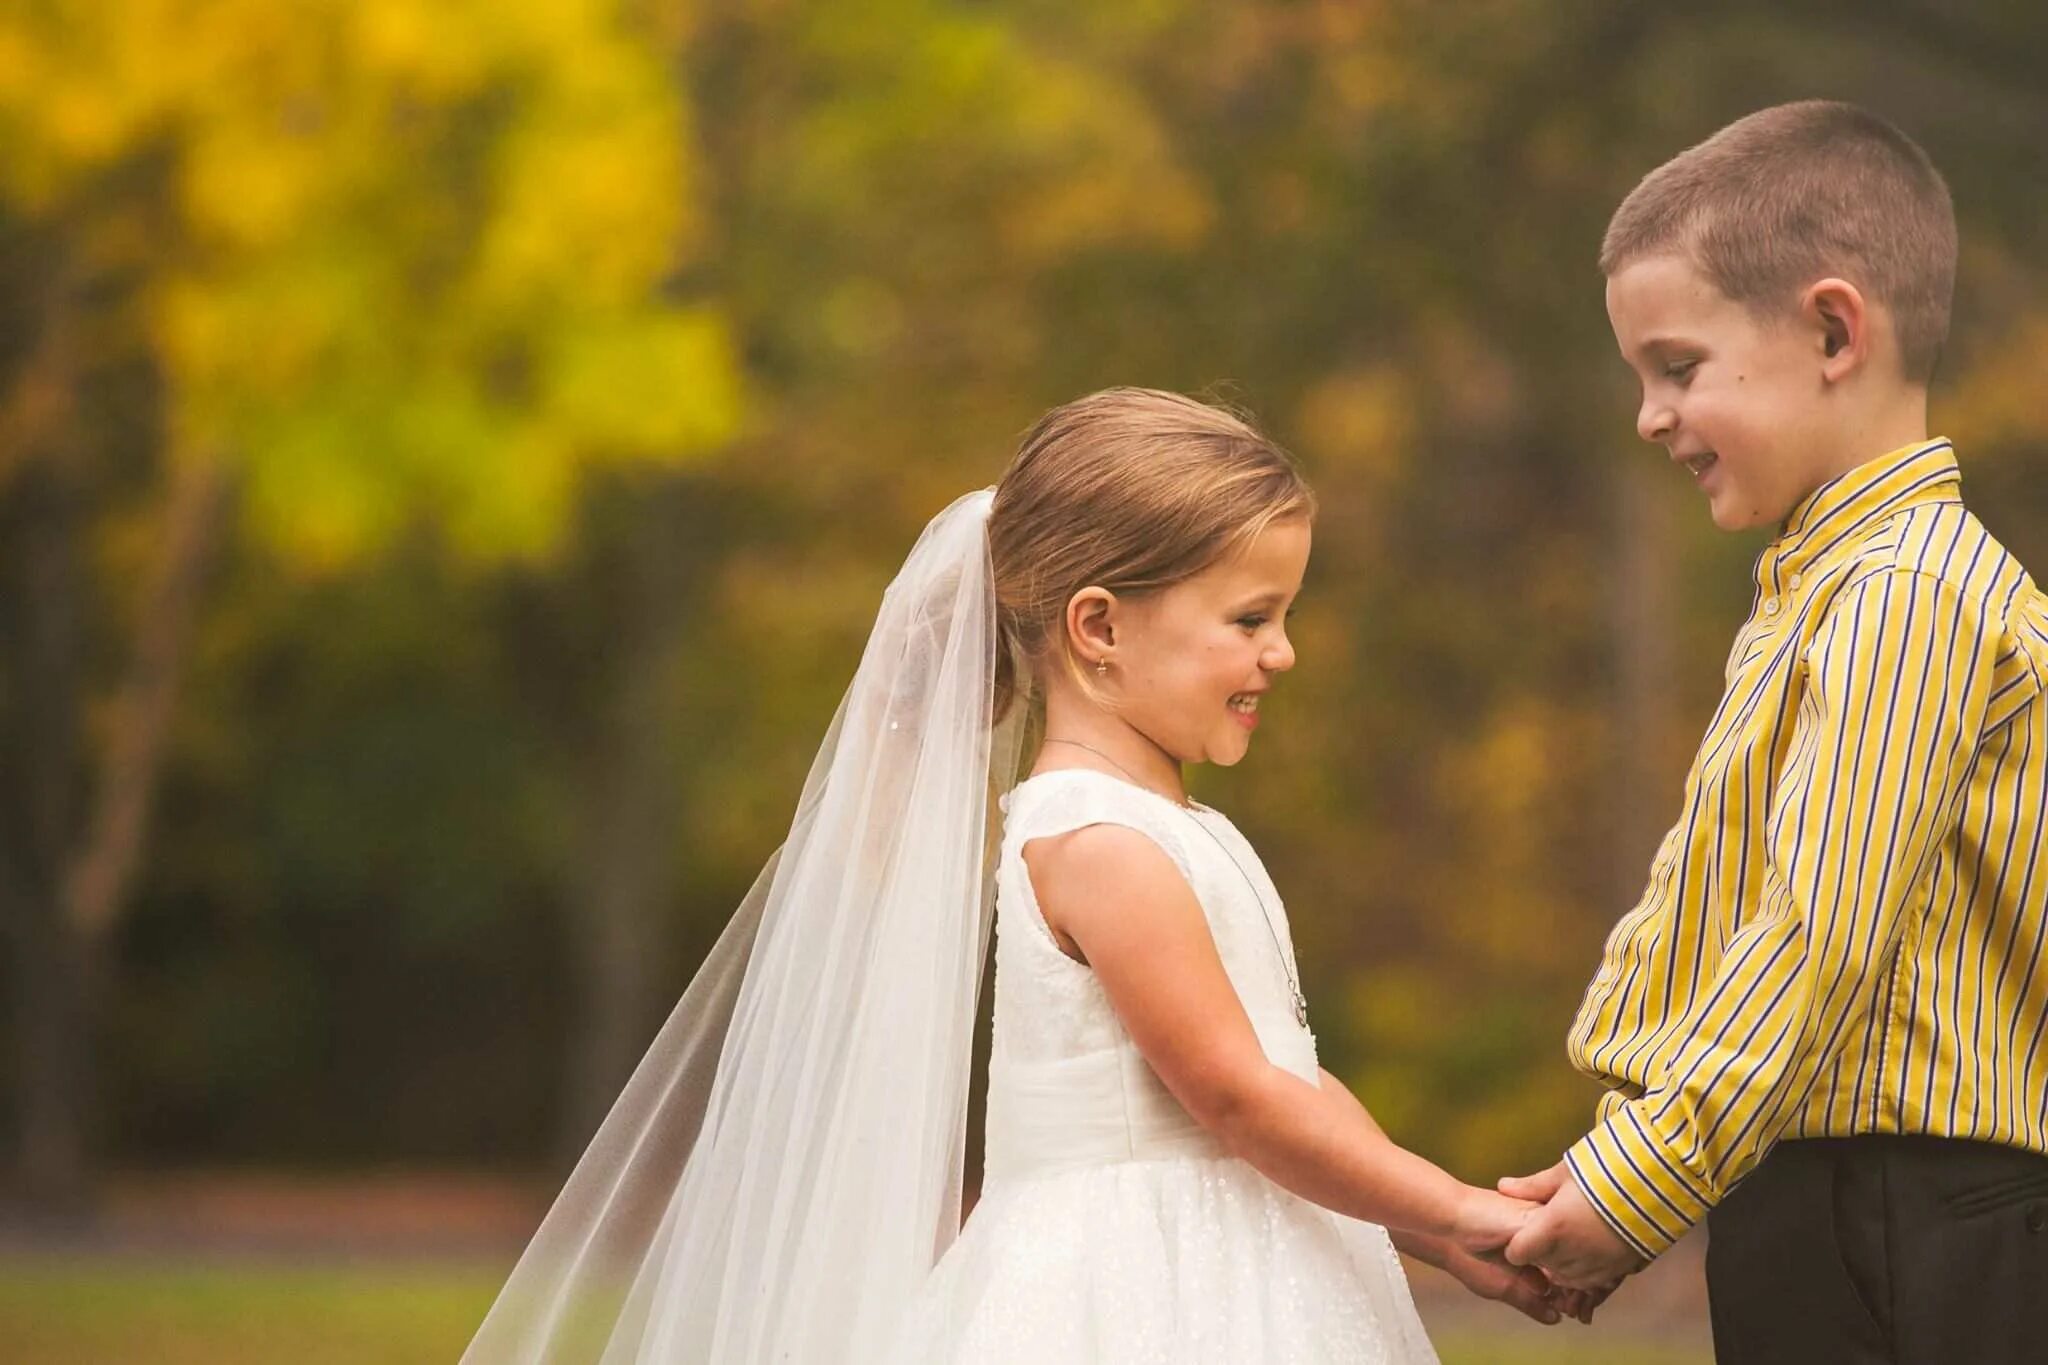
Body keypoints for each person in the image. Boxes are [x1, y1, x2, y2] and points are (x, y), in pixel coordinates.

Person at [464, 387, 1567, 1365]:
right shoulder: (1097, 844)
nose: (1280, 652)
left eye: (1280, 616)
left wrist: (1433, 1231)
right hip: (1143, 1290)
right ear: (1097, 627)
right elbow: (1232, 1097)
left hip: (1250, 1247)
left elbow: (1289, 1075)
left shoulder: (1174, 828)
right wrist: (1461, 1207)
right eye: (1248, 619)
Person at [1501, 101, 2048, 1364]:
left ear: (1829, 329)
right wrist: (1621, 1161)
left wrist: (1636, 1181)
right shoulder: (1827, 592)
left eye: (1676, 367)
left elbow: (1814, 929)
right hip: (1840, 1196)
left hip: (1905, 1218)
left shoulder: (1901, 597)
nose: (1646, 416)